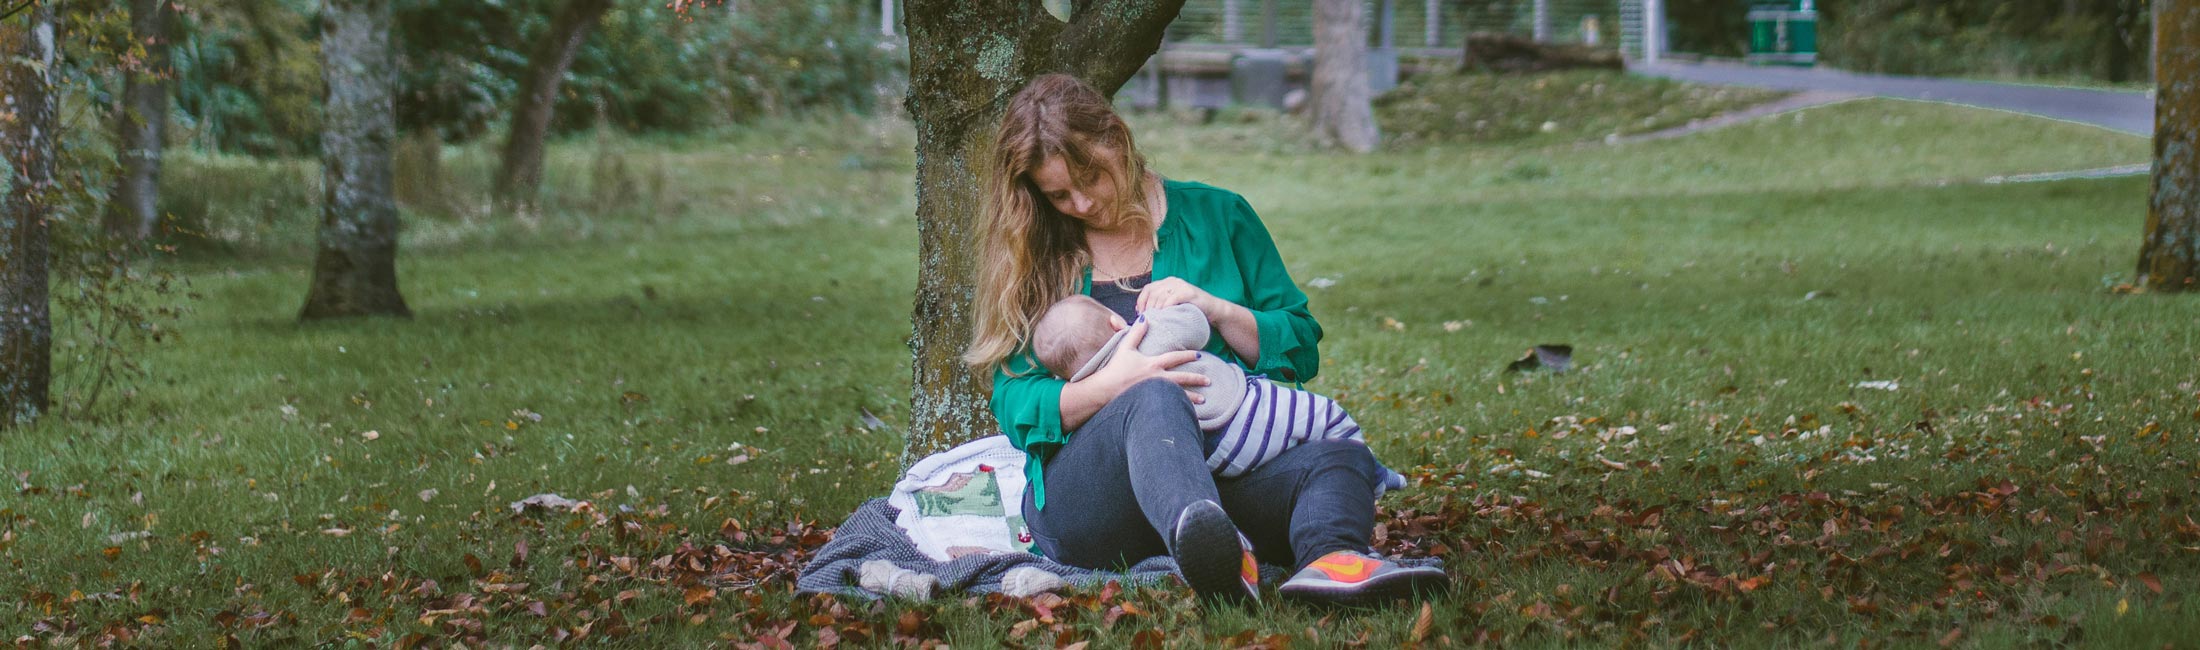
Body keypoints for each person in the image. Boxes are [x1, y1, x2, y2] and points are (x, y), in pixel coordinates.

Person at [963, 73, 1449, 607]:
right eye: (1058, 194)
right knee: (1153, 394)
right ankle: (1212, 551)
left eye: (1091, 177)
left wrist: (1215, 308)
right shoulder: (1040, 252)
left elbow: (1300, 346)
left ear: (1117, 139)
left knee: (1339, 456)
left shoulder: (1220, 215)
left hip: (1227, 481)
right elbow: (1014, 401)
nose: (1080, 203)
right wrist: (1116, 386)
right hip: (1096, 503)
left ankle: (1328, 561)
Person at [1028, 296, 1410, 492]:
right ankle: (1373, 475)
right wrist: (1170, 310)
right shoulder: (1144, 334)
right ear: (1115, 321)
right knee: (1327, 418)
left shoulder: (1086, 390)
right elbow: (1196, 327)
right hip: (1244, 413)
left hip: (1213, 458)